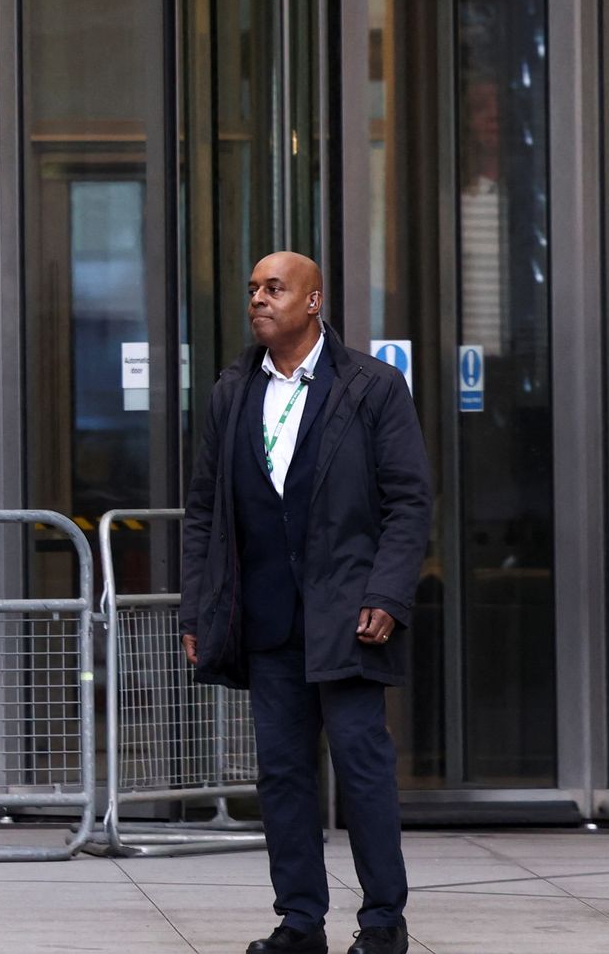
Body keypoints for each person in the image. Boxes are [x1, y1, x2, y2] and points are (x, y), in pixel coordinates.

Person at [180, 252, 429, 954]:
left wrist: (387, 592)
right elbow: (204, 512)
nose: (258, 299)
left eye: (275, 288)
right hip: (266, 618)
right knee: (283, 774)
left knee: (362, 766)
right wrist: (198, 610)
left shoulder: (372, 386)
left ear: (313, 301)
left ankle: (383, 922)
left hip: (350, 614)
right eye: (253, 289)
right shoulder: (233, 389)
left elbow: (409, 502)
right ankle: (299, 922)